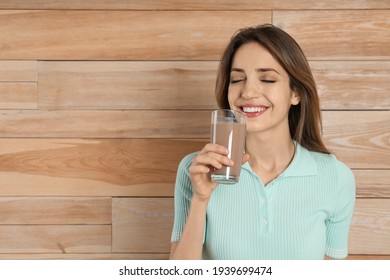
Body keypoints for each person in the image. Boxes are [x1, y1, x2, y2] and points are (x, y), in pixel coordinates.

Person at [169, 24, 356, 260]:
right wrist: (201, 198)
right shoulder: (196, 170)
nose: (247, 92)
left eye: (267, 79)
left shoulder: (335, 177)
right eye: (237, 79)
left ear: (295, 93)